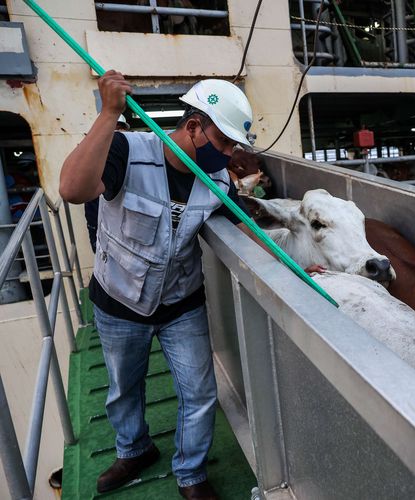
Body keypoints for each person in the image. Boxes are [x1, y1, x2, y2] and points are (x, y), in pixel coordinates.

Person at [59, 70, 267, 500]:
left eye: (234, 146)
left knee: (200, 392)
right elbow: (72, 189)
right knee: (123, 389)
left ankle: (191, 475)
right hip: (118, 302)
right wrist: (109, 113)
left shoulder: (219, 180)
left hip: (180, 303)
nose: (229, 154)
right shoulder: (127, 150)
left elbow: (243, 230)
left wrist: (299, 267)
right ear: (193, 126)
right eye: (224, 142)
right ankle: (134, 449)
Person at [84, 114, 130, 251]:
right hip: (98, 210)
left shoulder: (131, 152)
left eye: (119, 128)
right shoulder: (91, 151)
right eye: (112, 129)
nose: (116, 133)